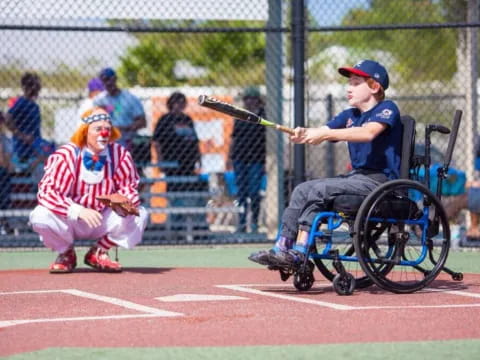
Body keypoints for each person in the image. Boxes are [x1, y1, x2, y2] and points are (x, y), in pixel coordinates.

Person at [249, 59, 402, 268]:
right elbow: (322, 130)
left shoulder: (387, 108)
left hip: (381, 183)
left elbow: (368, 133)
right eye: (349, 83)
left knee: (321, 189)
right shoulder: (350, 115)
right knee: (302, 190)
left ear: (375, 86)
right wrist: (305, 133)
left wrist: (325, 134)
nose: (349, 87)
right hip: (356, 178)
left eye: (356, 83)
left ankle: (300, 252)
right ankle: (282, 246)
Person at [29, 107, 149, 273]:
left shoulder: (120, 155)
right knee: (40, 216)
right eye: (98, 129)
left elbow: (129, 187)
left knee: (139, 215)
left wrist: (126, 202)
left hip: (103, 217)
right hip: (69, 219)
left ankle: (99, 252)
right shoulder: (66, 155)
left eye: (107, 129)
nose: (104, 133)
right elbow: (47, 192)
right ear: (85, 131)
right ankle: (66, 253)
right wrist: (76, 210)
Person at [152, 92, 205, 227]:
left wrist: (199, 159)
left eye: (182, 103)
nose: (179, 105)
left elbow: (194, 141)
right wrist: (160, 160)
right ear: (171, 104)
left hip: (188, 162)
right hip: (173, 162)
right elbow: (157, 142)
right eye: (176, 102)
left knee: (188, 193)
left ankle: (192, 224)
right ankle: (176, 223)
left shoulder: (187, 119)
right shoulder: (165, 120)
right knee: (174, 192)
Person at [228, 86, 266, 233]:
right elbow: (234, 137)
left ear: (258, 100)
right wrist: (229, 157)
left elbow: (267, 139)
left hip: (257, 158)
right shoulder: (241, 115)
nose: (249, 101)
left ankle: (255, 222)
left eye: (252, 99)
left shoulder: (263, 115)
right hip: (240, 157)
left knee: (254, 192)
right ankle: (242, 222)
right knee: (241, 192)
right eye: (247, 99)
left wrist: (266, 161)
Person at [4, 72, 45, 180]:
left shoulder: (34, 105)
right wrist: (21, 135)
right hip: (24, 151)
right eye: (33, 85)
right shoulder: (21, 102)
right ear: (26, 87)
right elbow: (7, 118)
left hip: (35, 149)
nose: (37, 89)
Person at [94, 67, 146, 152]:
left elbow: (142, 122)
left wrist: (124, 128)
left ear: (115, 79)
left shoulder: (130, 98)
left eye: (109, 79)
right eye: (104, 80)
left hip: (128, 141)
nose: (107, 83)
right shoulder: (99, 100)